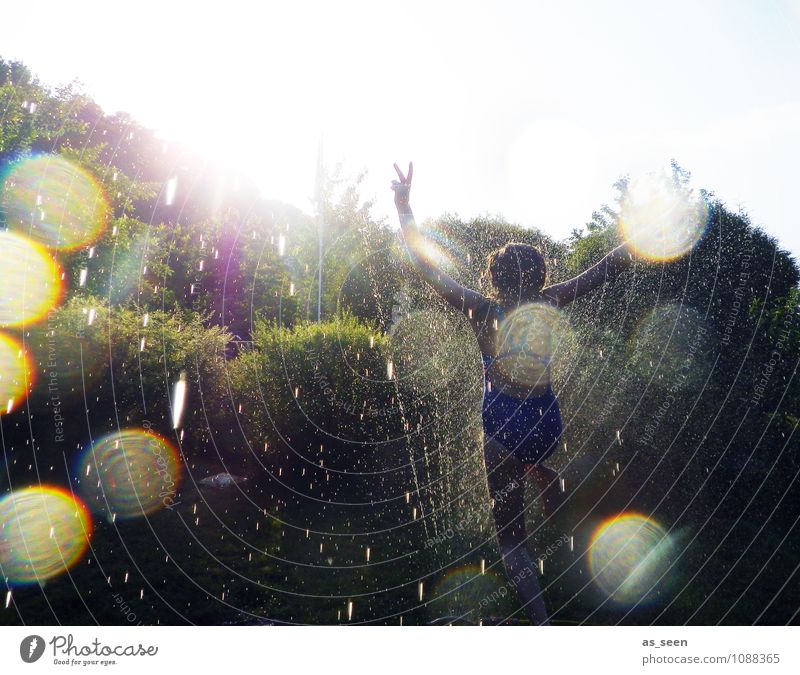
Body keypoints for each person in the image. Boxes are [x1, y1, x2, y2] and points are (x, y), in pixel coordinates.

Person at [391, 162, 636, 625]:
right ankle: (544, 475)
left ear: (495, 277)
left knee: (511, 538)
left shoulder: (480, 309)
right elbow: (607, 268)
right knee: (535, 461)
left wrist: (404, 210)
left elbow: (426, 267)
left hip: (501, 425)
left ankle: (539, 621)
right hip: (546, 420)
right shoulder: (551, 301)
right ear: (540, 275)